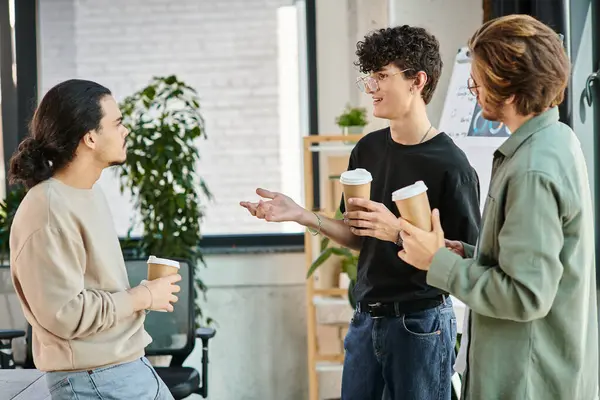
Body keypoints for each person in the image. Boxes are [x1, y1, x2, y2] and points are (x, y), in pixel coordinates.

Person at [241, 25, 481, 399]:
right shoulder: (367, 150)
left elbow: (465, 258)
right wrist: (302, 214)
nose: (372, 87)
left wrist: (397, 230)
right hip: (366, 320)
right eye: (370, 76)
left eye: (382, 76)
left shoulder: (453, 165)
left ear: (418, 81)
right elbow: (358, 237)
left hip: (421, 324)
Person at [396, 15, 599, 400]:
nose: (473, 91)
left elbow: (525, 295)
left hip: (525, 383)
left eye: (478, 81)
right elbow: (537, 265)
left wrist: (439, 261)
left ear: (507, 87)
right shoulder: (557, 140)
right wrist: (468, 254)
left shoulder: (532, 169)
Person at [9, 79, 181, 399]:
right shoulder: (47, 210)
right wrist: (143, 296)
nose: (125, 131)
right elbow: (66, 314)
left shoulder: (88, 194)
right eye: (116, 123)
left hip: (123, 368)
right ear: (89, 137)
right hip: (95, 379)